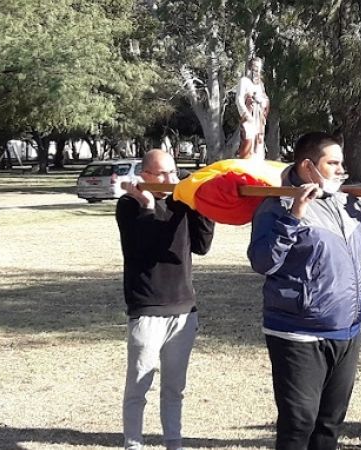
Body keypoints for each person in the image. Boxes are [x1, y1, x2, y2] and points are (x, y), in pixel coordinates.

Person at [247, 131, 361, 450]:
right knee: (299, 422)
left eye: (341, 163)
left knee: (329, 424)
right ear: (307, 166)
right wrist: (293, 218)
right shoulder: (277, 203)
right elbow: (263, 262)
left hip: (347, 330)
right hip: (297, 333)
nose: (341, 170)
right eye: (333, 163)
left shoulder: (346, 200)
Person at [116, 149, 215, 450]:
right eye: (162, 174)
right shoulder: (128, 205)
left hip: (184, 307)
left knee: (175, 387)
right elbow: (144, 249)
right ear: (144, 175)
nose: (170, 179)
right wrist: (148, 206)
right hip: (147, 308)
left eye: (173, 172)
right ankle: (133, 444)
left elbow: (202, 245)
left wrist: (205, 206)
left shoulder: (182, 200)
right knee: (139, 384)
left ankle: (174, 442)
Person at [236, 57, 269, 159]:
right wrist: (246, 115)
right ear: (250, 68)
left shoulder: (260, 85)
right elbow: (239, 99)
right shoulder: (244, 81)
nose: (257, 70)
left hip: (259, 118)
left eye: (259, 68)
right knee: (248, 140)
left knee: (259, 143)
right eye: (255, 67)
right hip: (249, 115)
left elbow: (265, 100)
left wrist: (261, 101)